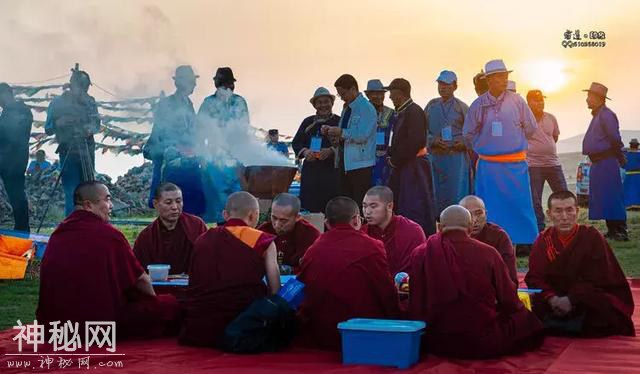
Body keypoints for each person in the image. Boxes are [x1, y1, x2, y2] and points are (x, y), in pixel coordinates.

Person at [37, 181, 180, 339]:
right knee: (170, 304)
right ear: (88, 205)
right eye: (107, 199)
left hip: (55, 328)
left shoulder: (58, 235)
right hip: (99, 326)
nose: (111, 205)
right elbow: (141, 281)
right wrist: (155, 304)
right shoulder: (110, 236)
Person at [409, 205, 543, 359]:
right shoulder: (488, 253)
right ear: (471, 227)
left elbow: (416, 303)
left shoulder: (420, 253)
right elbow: (509, 300)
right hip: (481, 340)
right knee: (527, 320)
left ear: (439, 227)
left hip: (436, 341)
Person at [525, 191, 635, 337]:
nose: (564, 217)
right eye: (558, 211)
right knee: (526, 311)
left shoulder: (591, 237)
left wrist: (571, 299)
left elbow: (601, 278)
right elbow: (534, 277)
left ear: (577, 212)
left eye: (569, 210)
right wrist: (552, 298)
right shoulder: (543, 240)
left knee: (606, 310)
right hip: (554, 299)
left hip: (584, 299)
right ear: (549, 214)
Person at [297, 196, 400, 350]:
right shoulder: (372, 246)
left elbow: (303, 290)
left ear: (326, 223)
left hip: (322, 332)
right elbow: (386, 292)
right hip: (362, 331)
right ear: (356, 219)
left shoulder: (313, 250)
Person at [179, 191, 280, 347]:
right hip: (242, 326)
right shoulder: (262, 240)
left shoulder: (203, 239)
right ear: (254, 215)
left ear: (225, 215)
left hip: (200, 328)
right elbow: (275, 290)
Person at [463, 59, 538, 245]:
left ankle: (525, 243)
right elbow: (467, 134)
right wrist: (486, 144)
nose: (504, 80)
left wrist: (512, 140)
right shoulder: (478, 105)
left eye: (506, 76)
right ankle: (490, 242)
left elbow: (531, 128)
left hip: (515, 165)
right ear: (488, 80)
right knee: (490, 207)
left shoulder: (518, 101)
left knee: (519, 205)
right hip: (489, 166)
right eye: (499, 77)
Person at [44, 67, 100, 216]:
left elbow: (96, 125)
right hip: (68, 151)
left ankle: (91, 223)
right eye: (83, 88)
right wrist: (59, 123)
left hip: (86, 150)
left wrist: (88, 129)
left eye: (87, 88)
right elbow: (48, 128)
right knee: (72, 191)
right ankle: (72, 223)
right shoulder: (57, 103)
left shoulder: (90, 102)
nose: (85, 92)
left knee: (89, 189)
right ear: (74, 86)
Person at [143, 65, 200, 212]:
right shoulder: (167, 103)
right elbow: (162, 131)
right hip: (170, 155)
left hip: (185, 154)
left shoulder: (188, 104)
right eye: (191, 81)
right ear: (181, 83)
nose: (194, 84)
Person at [385, 78, 436, 235]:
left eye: (392, 94)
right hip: (405, 166)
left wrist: (395, 160)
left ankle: (417, 238)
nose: (390, 98)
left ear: (399, 94)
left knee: (414, 206)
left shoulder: (414, 112)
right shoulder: (403, 112)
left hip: (414, 167)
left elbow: (415, 141)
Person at [197, 67, 246, 223]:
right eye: (223, 83)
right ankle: (222, 232)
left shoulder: (239, 102)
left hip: (236, 158)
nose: (226, 87)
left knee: (237, 198)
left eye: (229, 83)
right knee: (220, 199)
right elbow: (199, 132)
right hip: (215, 159)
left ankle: (239, 230)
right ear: (216, 84)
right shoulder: (208, 103)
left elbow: (244, 131)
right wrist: (203, 156)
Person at [581, 82, 628, 241]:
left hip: (607, 161)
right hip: (599, 163)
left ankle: (621, 230)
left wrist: (620, 158)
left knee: (612, 195)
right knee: (605, 196)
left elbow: (615, 138)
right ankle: (612, 229)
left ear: (597, 98)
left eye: (589, 96)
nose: (587, 100)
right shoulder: (598, 114)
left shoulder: (606, 115)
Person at [321, 74, 377, 208]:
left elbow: (363, 135)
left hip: (361, 165)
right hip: (346, 163)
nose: (342, 98)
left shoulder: (366, 108)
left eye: (343, 94)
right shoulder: (347, 108)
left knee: (360, 204)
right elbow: (344, 132)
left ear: (353, 89)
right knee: (347, 204)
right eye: (340, 95)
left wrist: (341, 132)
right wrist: (332, 132)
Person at [133, 182, 207, 275]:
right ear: (155, 204)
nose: (175, 207)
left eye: (178, 201)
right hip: (157, 287)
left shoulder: (196, 225)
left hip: (191, 285)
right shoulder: (146, 237)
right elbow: (138, 271)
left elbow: (208, 259)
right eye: (168, 202)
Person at [425, 71, 471, 215]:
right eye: (440, 84)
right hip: (436, 157)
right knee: (436, 193)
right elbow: (422, 130)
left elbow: (472, 132)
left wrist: (463, 142)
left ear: (454, 86)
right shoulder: (431, 106)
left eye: (446, 84)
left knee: (457, 193)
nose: (442, 87)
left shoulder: (462, 107)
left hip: (456, 159)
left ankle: (459, 223)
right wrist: (433, 140)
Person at [291, 87, 341, 213]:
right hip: (311, 174)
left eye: (326, 101)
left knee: (331, 209)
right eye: (319, 102)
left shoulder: (339, 121)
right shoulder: (307, 122)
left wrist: (331, 151)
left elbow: (347, 144)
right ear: (314, 105)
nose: (323, 105)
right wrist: (306, 152)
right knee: (309, 208)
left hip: (332, 174)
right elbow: (296, 142)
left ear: (332, 103)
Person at [526, 90, 568, 232]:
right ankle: (540, 231)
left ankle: (567, 227)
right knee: (535, 200)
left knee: (564, 196)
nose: (540, 103)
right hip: (533, 166)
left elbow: (554, 137)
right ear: (528, 102)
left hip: (553, 164)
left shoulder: (551, 118)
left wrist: (545, 147)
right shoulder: (524, 119)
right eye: (536, 100)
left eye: (541, 100)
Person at [361, 186, 425, 275]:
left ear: (390, 206)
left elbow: (417, 266)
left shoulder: (412, 230)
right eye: (364, 206)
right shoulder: (362, 233)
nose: (367, 211)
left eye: (373, 206)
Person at [459, 195, 517, 284]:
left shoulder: (499, 236)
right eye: (468, 214)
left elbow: (510, 277)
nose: (474, 220)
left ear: (486, 214)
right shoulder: (452, 236)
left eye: (478, 213)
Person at [258, 193, 321, 274]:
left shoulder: (310, 235)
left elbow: (314, 267)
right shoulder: (263, 231)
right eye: (274, 217)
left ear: (297, 217)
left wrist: (291, 270)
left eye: (283, 220)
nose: (277, 224)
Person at [0, 83, 33, 232]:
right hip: (8, 159)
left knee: (16, 195)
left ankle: (22, 228)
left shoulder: (20, 111)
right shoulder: (8, 111)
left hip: (13, 160)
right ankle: (21, 227)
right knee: (16, 194)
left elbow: (12, 135)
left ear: (6, 94)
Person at [364, 79, 395, 186]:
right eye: (374, 93)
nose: (378, 96)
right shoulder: (362, 112)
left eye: (381, 93)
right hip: (366, 160)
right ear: (368, 95)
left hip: (386, 160)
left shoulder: (391, 113)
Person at [624, 138, 640, 207]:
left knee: (627, 190)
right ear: (637, 146)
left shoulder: (626, 154)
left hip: (628, 175)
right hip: (637, 176)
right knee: (636, 190)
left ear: (631, 146)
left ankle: (628, 205)